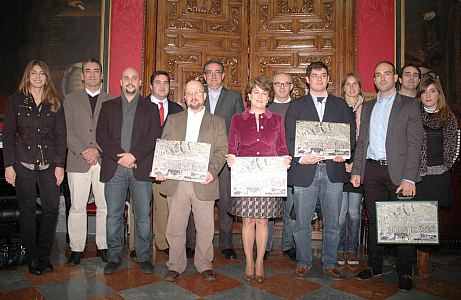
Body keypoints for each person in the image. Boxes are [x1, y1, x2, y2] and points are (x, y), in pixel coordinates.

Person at [351, 61, 423, 291]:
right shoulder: (369, 107)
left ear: (395, 78)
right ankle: (375, 266)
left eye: (387, 74)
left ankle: (404, 271)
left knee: (402, 223)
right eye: (377, 75)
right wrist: (357, 171)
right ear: (374, 80)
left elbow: (415, 143)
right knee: (374, 220)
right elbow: (362, 142)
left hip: (399, 173)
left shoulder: (410, 105)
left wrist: (410, 178)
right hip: (371, 171)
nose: (382, 78)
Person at [285, 61, 356, 280]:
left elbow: (351, 134)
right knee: (302, 221)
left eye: (323, 75)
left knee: (333, 221)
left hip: (333, 169)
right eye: (314, 75)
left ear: (328, 79)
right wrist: (301, 157)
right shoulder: (296, 105)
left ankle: (330, 262)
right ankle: (304, 261)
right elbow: (288, 137)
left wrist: (344, 153)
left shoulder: (341, 105)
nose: (319, 79)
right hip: (305, 170)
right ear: (307, 79)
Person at [157, 80, 227, 282]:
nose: (194, 96)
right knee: (175, 227)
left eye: (198, 92)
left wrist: (212, 172)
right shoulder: (173, 119)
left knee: (205, 227)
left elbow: (222, 150)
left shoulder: (217, 121)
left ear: (204, 96)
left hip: (204, 181)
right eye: (190, 93)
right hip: (177, 181)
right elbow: (165, 148)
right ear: (184, 97)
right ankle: (176, 264)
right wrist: (162, 169)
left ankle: (204, 263)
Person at [3, 60, 67, 275]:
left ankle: (43, 255)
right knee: (28, 210)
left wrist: (60, 165)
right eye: (34, 73)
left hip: (49, 163)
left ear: (47, 77)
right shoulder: (15, 101)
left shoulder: (55, 102)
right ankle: (32, 257)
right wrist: (8, 165)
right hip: (22, 162)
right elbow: (9, 134)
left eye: (42, 73)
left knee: (51, 208)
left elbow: (61, 136)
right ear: (27, 76)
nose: (38, 77)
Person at [96, 67, 161, 274]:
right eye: (126, 78)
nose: (130, 81)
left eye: (134, 77)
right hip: (114, 169)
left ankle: (143, 257)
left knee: (142, 216)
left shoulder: (150, 107)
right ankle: (114, 258)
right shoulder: (108, 106)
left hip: (140, 168)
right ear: (121, 82)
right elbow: (101, 136)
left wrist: (133, 156)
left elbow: (153, 136)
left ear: (140, 83)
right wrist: (122, 157)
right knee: (113, 215)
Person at [226, 76, 291, 283]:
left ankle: (260, 261)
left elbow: (282, 147)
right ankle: (249, 262)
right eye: (256, 92)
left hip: (268, 178)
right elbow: (232, 146)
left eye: (264, 93)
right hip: (245, 177)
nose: (260, 97)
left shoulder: (277, 120)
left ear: (269, 97)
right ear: (248, 96)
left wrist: (286, 158)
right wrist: (231, 157)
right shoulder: (237, 119)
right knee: (247, 221)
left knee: (263, 221)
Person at [193, 59, 243, 260]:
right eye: (209, 72)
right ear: (204, 76)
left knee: (225, 203)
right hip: (198, 159)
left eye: (217, 72)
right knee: (195, 200)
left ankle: (226, 244)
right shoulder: (195, 95)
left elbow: (239, 126)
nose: (213, 76)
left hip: (225, 159)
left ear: (223, 75)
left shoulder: (234, 97)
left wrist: (235, 154)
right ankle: (191, 243)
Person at [64, 58, 112, 265]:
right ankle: (76, 248)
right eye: (88, 71)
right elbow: (67, 130)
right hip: (77, 161)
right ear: (82, 76)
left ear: (102, 76)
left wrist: (98, 151)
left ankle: (103, 246)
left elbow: (113, 133)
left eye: (96, 71)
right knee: (77, 207)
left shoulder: (111, 101)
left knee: (104, 206)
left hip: (103, 162)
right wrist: (84, 150)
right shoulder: (70, 99)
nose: (92, 74)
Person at [414, 78, 460, 279]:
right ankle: (413, 258)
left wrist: (446, 167)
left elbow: (455, 147)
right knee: (416, 217)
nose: (428, 96)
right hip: (418, 176)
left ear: (439, 94)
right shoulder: (413, 116)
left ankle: (423, 261)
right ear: (420, 96)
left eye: (432, 91)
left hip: (439, 175)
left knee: (432, 220)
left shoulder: (449, 118)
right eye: (424, 92)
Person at [148, 70, 183, 256]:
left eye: (165, 82)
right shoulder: (140, 106)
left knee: (163, 206)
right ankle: (135, 245)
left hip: (168, 167)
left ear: (169, 87)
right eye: (158, 82)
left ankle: (162, 242)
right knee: (140, 206)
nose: (162, 86)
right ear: (151, 86)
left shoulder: (178, 109)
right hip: (143, 165)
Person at [266, 72, 296, 261]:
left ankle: (288, 245)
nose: (282, 87)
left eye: (286, 84)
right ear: (273, 86)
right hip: (269, 167)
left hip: (294, 166)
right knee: (268, 209)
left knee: (291, 209)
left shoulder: (300, 106)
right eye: (278, 83)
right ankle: (265, 246)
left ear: (292, 86)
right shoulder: (265, 107)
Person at [337, 73, 364, 267]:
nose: (352, 87)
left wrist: (356, 163)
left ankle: (352, 249)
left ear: (360, 87)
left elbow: (366, 140)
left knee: (354, 212)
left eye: (355, 84)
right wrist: (344, 162)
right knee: (340, 213)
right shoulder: (337, 107)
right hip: (339, 165)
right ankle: (339, 248)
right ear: (343, 88)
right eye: (348, 84)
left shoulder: (368, 107)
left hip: (359, 165)